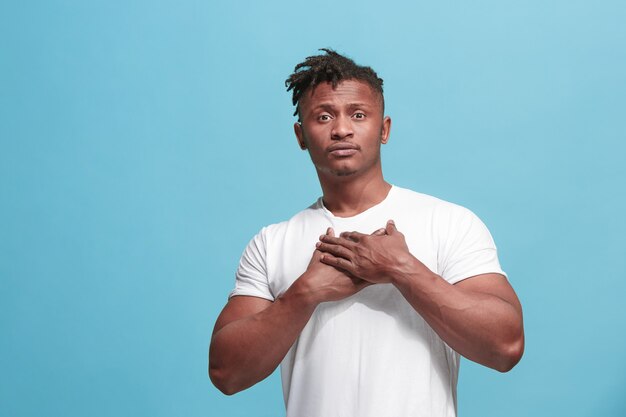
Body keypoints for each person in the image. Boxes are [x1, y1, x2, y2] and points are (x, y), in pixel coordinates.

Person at [209, 48, 524, 417]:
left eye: (358, 114)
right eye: (323, 116)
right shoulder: (270, 242)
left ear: (384, 129)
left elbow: (506, 345)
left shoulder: (449, 222)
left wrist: (402, 269)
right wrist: (305, 293)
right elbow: (225, 373)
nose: (341, 129)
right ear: (300, 135)